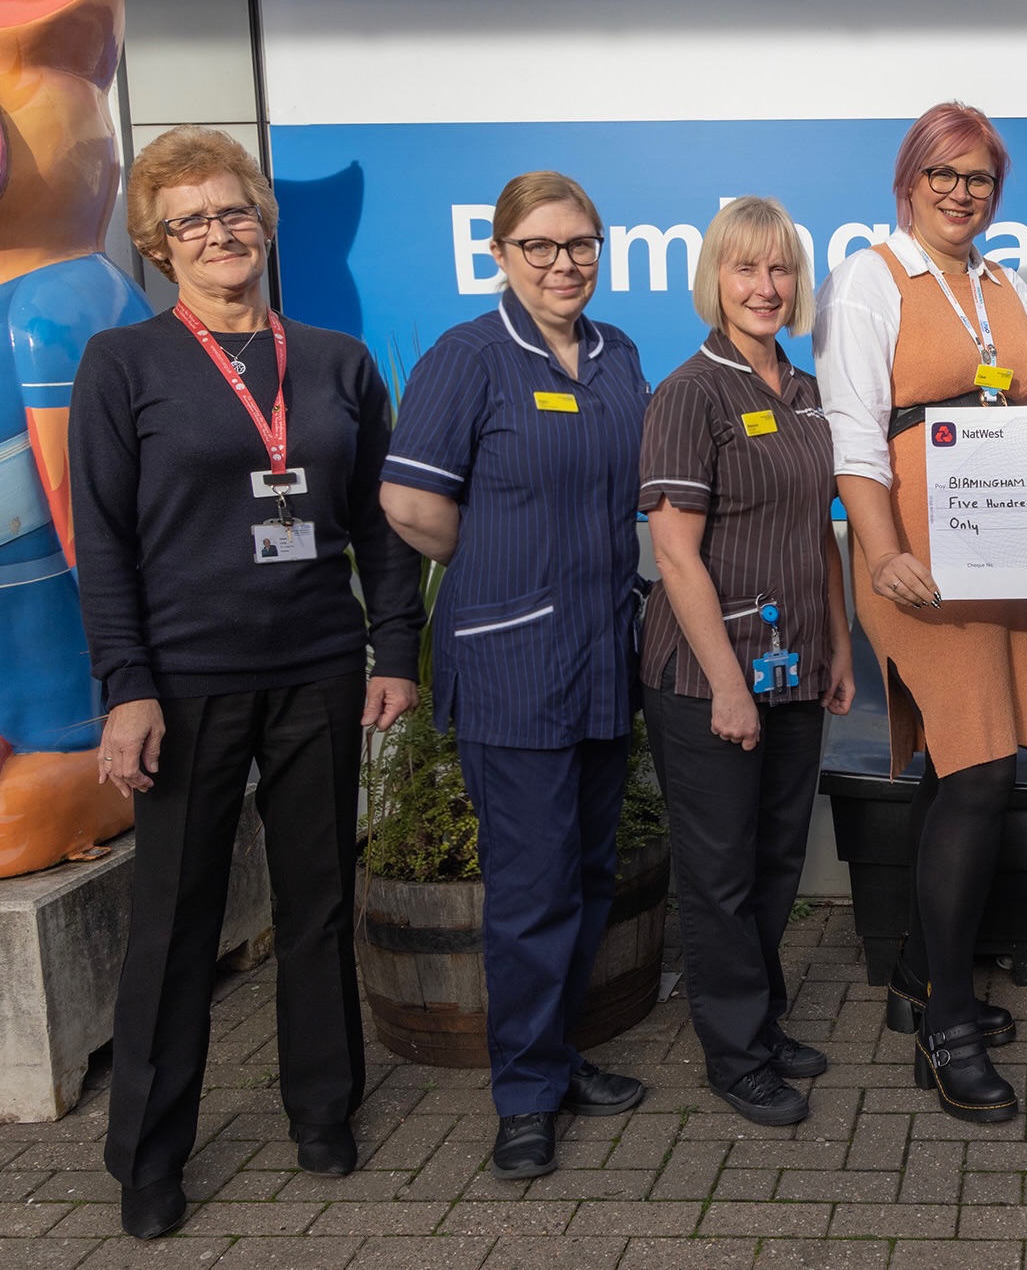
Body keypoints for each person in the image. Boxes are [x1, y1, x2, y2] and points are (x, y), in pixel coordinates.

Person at [70, 126, 423, 1240]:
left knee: (319, 907)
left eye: (235, 212)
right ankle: (149, 1154)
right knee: (176, 921)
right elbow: (106, 540)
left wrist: (396, 648)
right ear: (157, 245)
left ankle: (323, 1107)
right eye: (192, 220)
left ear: (265, 226)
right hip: (186, 683)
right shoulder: (124, 366)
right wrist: (126, 685)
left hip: (318, 667)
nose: (220, 233)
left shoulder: (332, 362)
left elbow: (380, 518)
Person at [380, 171, 649, 1180]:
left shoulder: (618, 354)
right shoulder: (470, 358)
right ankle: (525, 1095)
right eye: (539, 246)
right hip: (515, 664)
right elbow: (410, 507)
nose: (562, 263)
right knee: (531, 891)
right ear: (500, 255)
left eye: (579, 243)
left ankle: (562, 1055)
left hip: (602, 659)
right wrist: (503, 563)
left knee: (584, 876)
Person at [814, 101, 1027, 1123]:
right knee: (981, 770)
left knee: (963, 769)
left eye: (979, 178)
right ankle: (947, 1026)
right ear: (910, 181)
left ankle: (915, 974)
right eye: (944, 175)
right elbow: (852, 428)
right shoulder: (871, 276)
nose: (962, 193)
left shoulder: (1008, 284)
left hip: (1003, 552)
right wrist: (882, 547)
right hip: (918, 560)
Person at [639, 196, 857, 1127]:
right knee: (720, 873)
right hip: (709, 680)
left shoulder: (805, 390)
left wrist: (842, 646)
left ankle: (760, 1018)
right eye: (745, 269)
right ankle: (734, 1053)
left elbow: (822, 533)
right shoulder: (691, 393)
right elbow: (674, 553)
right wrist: (727, 682)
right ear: (714, 281)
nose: (765, 288)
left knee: (774, 860)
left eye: (779, 270)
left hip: (798, 666)